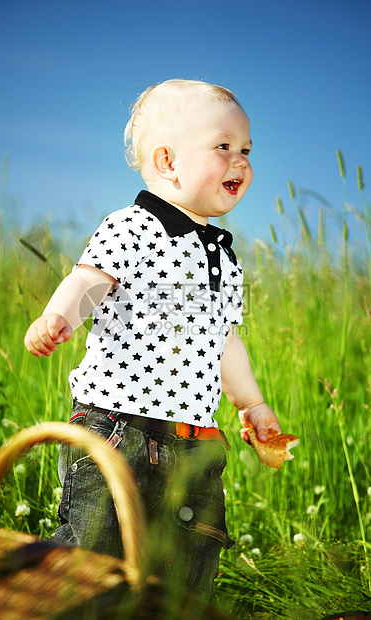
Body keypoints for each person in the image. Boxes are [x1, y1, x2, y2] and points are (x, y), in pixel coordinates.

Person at [24, 79, 281, 600]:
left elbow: (224, 338)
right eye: (224, 147)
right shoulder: (132, 227)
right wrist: (59, 317)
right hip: (120, 425)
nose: (241, 162)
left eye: (247, 150)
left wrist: (251, 402)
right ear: (168, 162)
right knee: (96, 548)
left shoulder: (224, 258)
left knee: (189, 563)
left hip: (194, 439)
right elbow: (91, 279)